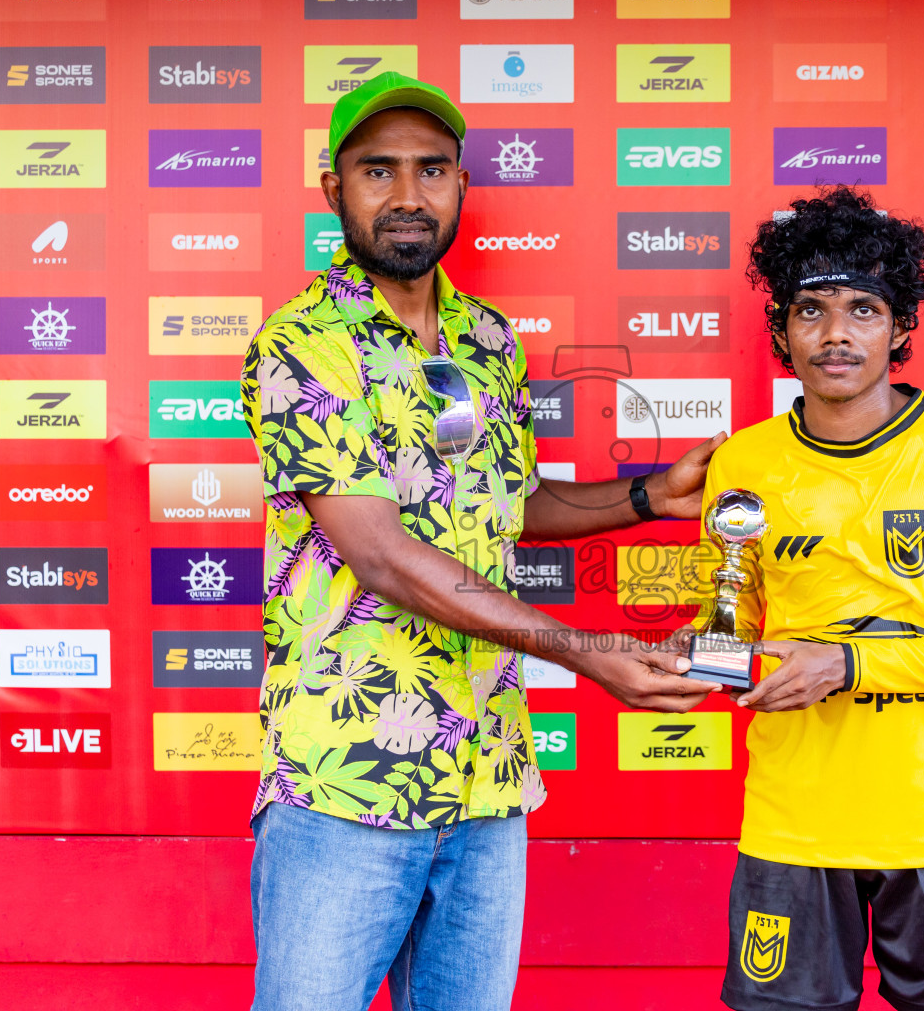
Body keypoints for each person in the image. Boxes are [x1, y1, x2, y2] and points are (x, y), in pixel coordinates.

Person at [239, 72, 724, 1011]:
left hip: (489, 775)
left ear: (461, 188)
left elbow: (510, 500)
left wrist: (645, 497)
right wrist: (589, 653)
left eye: (431, 169)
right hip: (348, 779)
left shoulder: (486, 340)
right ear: (333, 190)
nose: (407, 194)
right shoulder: (303, 345)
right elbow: (378, 552)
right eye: (377, 170)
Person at [690, 187, 924, 1011]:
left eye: (863, 309)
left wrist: (845, 663)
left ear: (901, 327)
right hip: (792, 825)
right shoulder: (742, 465)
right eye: (810, 310)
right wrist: (700, 658)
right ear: (780, 330)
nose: (836, 333)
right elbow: (728, 626)